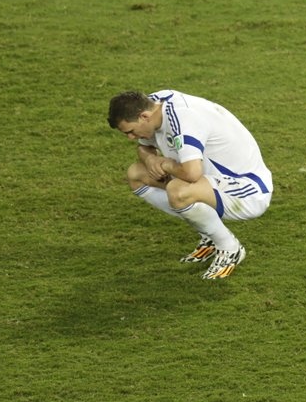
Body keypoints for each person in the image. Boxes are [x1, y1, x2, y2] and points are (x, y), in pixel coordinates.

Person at [107, 90, 273, 280]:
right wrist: (151, 159)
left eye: (130, 131)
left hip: (247, 190)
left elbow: (192, 174)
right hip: (211, 182)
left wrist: (167, 164)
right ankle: (209, 234)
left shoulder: (184, 120)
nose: (131, 137)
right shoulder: (153, 106)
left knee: (179, 191)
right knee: (136, 174)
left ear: (144, 116)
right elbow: (144, 148)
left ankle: (230, 248)